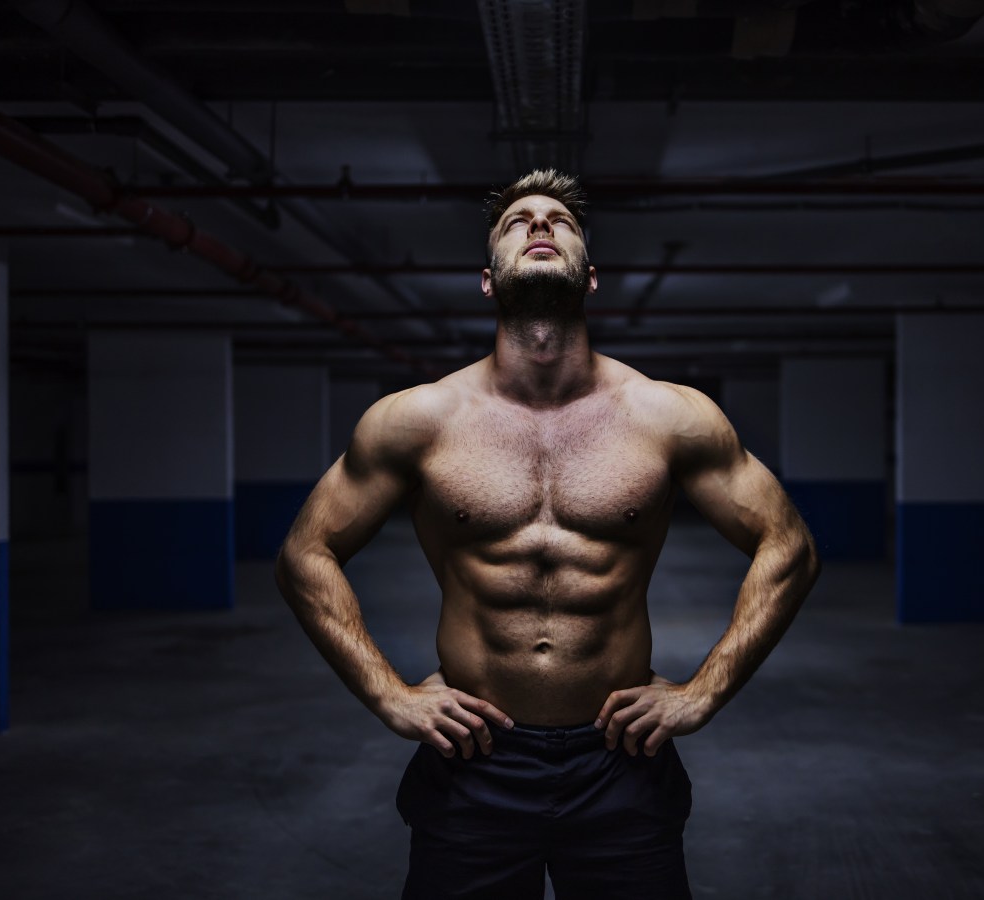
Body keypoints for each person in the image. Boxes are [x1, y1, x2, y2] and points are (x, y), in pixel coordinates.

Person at [274, 169, 821, 899]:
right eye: (516, 222)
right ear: (487, 279)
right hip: (475, 762)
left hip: (620, 760)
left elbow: (789, 547)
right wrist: (389, 695)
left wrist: (702, 694)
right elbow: (305, 554)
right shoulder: (418, 420)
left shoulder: (668, 416)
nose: (538, 225)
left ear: (589, 277)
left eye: (558, 220)